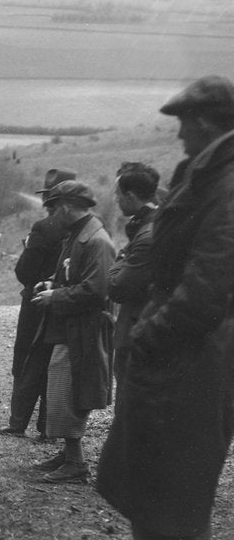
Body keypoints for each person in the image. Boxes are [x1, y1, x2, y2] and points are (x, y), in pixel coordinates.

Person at [95, 75, 234, 540]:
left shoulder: (225, 183)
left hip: (195, 349)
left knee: (170, 475)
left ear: (205, 124)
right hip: (194, 346)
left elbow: (209, 283)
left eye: (183, 124)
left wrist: (151, 334)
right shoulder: (210, 174)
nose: (177, 135)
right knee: (176, 472)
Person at [29, 180, 116, 484]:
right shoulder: (77, 235)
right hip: (70, 327)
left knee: (70, 391)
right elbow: (73, 275)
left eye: (54, 207)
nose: (52, 214)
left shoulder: (97, 241)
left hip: (85, 330)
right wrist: (53, 284)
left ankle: (76, 462)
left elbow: (97, 290)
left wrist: (56, 297)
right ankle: (69, 454)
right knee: (62, 388)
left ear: (66, 207)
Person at [0, 168, 73, 441]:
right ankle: (47, 427)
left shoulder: (43, 228)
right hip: (67, 302)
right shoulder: (83, 226)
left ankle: (18, 423)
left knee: (28, 357)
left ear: (49, 198)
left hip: (37, 302)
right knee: (55, 362)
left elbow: (23, 271)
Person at [107, 162, 160, 399]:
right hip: (141, 329)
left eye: (118, 195)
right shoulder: (150, 226)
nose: (116, 200)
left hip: (137, 333)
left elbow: (117, 287)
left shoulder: (147, 235)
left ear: (130, 196)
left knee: (129, 404)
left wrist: (119, 258)